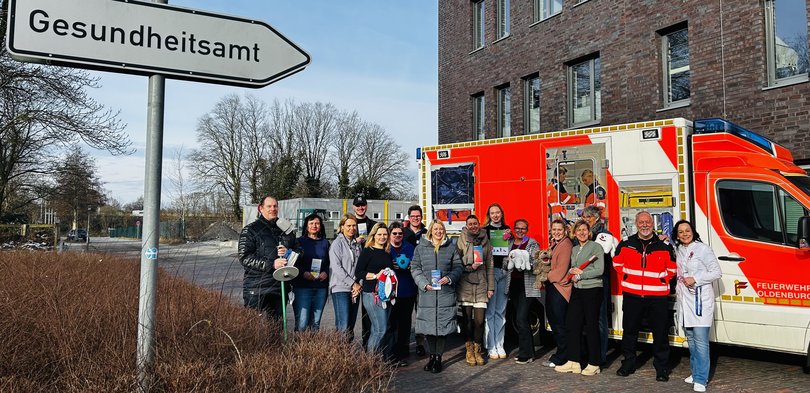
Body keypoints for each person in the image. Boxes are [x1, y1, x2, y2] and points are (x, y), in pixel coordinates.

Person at [613, 211, 677, 382]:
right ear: (636, 223)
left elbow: (672, 269)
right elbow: (617, 264)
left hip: (657, 297)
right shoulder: (626, 243)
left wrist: (661, 281)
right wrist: (628, 278)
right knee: (630, 331)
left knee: (660, 333)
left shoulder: (664, 245)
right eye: (641, 222)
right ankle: (628, 363)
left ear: (652, 224)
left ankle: (662, 368)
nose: (644, 225)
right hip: (632, 295)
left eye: (647, 222)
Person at [672, 220, 722, 393]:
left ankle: (702, 378)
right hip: (685, 301)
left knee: (701, 342)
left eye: (687, 230)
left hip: (700, 301)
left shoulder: (703, 249)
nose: (685, 234)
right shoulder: (679, 250)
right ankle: (695, 373)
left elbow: (716, 272)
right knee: (691, 341)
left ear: (693, 231)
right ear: (677, 235)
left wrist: (696, 279)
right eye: (681, 232)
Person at [411, 220, 463, 373]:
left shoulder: (451, 248)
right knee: (429, 328)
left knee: (442, 328)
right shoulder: (420, 248)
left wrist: (449, 278)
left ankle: (438, 358)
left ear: (444, 231)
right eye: (436, 229)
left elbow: (458, 267)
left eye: (441, 229)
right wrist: (423, 283)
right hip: (427, 293)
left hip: (445, 294)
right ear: (430, 231)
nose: (438, 232)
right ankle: (431, 357)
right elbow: (415, 268)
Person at [555, 220, 604, 376]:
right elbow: (574, 268)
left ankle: (594, 363)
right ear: (574, 233)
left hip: (592, 290)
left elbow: (599, 269)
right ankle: (573, 361)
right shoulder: (575, 248)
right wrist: (573, 272)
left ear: (589, 232)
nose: (582, 232)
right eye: (579, 230)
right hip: (577, 290)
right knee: (572, 323)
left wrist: (582, 274)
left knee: (591, 326)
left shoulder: (596, 247)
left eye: (584, 230)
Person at [238, 195, 299, 322]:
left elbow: (299, 250)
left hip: (280, 286)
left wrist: (288, 253)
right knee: (252, 327)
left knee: (276, 328)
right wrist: (272, 264)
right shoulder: (250, 230)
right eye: (269, 206)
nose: (273, 209)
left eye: (275, 206)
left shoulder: (286, 230)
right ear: (261, 208)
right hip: (257, 287)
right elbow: (244, 257)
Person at [456, 215, 494, 366]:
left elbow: (490, 265)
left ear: (479, 224)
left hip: (481, 283)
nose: (473, 226)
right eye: (470, 224)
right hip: (465, 284)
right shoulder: (461, 239)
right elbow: (456, 262)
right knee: (467, 321)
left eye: (475, 223)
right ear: (466, 225)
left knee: (479, 321)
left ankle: (478, 349)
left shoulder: (486, 239)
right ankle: (469, 350)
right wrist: (467, 267)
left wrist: (490, 287)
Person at [581, 205, 617, 366]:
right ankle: (590, 353)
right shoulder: (585, 232)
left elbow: (594, 256)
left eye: (588, 217)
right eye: (584, 217)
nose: (585, 219)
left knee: (600, 319)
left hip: (599, 280)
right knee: (589, 318)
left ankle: (600, 356)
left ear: (596, 218)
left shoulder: (603, 234)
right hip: (585, 280)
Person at [355, 223, 396, 358]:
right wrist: (375, 275)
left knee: (377, 329)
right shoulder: (368, 251)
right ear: (373, 235)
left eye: (385, 234)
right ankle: (369, 360)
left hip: (386, 296)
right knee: (380, 329)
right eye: (379, 234)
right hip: (372, 294)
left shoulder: (387, 252)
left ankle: (374, 359)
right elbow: (359, 272)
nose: (382, 237)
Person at [506, 218, 543, 364]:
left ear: (527, 230)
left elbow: (536, 262)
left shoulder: (532, 243)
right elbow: (504, 262)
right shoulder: (509, 243)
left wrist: (524, 260)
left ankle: (526, 354)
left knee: (521, 319)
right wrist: (509, 261)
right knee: (520, 319)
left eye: (523, 229)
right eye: (518, 228)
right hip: (513, 285)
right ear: (514, 229)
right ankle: (529, 352)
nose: (520, 231)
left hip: (527, 285)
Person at [291, 213, 330, 331]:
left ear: (320, 226)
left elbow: (330, 262)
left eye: (317, 223)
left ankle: (312, 348)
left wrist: (326, 272)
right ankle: (299, 348)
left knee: (315, 323)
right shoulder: (298, 242)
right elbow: (293, 262)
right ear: (306, 226)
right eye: (311, 223)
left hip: (320, 287)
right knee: (302, 323)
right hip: (302, 287)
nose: (314, 226)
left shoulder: (325, 243)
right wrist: (303, 273)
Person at [542, 219, 573, 368]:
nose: (556, 232)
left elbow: (560, 272)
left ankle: (562, 357)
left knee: (559, 324)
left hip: (560, 289)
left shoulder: (565, 245)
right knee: (555, 323)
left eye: (559, 229)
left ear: (565, 230)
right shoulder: (555, 244)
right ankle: (562, 354)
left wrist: (543, 276)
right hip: (554, 288)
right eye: (554, 229)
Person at [386, 221, 417, 366]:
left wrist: (411, 265)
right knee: (392, 323)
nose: (398, 235)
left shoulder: (409, 247)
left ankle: (403, 350)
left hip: (408, 291)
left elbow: (417, 264)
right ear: (390, 234)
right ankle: (392, 351)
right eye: (394, 233)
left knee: (405, 323)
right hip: (391, 293)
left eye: (400, 233)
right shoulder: (386, 248)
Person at [483, 203, 510, 359]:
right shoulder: (484, 231)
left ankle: (500, 344)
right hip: (490, 273)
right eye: (492, 213)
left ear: (501, 213)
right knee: (490, 312)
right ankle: (491, 346)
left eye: (497, 212)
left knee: (501, 311)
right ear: (489, 215)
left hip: (504, 272)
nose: (495, 215)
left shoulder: (507, 231)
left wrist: (509, 238)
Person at [329, 214, 363, 340]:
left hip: (355, 289)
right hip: (340, 288)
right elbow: (337, 268)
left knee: (350, 326)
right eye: (348, 225)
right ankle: (340, 356)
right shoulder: (337, 244)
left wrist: (357, 285)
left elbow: (359, 266)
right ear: (342, 227)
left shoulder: (357, 244)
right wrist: (352, 283)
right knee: (343, 326)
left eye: (354, 225)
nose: (351, 228)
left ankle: (347, 355)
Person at [352, 195, 377, 348]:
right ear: (353, 207)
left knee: (368, 311)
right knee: (350, 313)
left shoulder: (373, 224)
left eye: (363, 205)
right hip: (352, 273)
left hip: (369, 273)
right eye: (358, 205)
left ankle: (368, 343)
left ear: (366, 206)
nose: (360, 208)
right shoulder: (349, 224)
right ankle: (345, 346)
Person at [403, 204, 428, 355]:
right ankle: (404, 344)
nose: (415, 218)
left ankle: (420, 343)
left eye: (418, 216)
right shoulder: (402, 233)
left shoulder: (427, 233)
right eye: (413, 216)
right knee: (405, 315)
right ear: (409, 217)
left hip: (422, 279)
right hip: (406, 280)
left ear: (421, 217)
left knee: (421, 313)